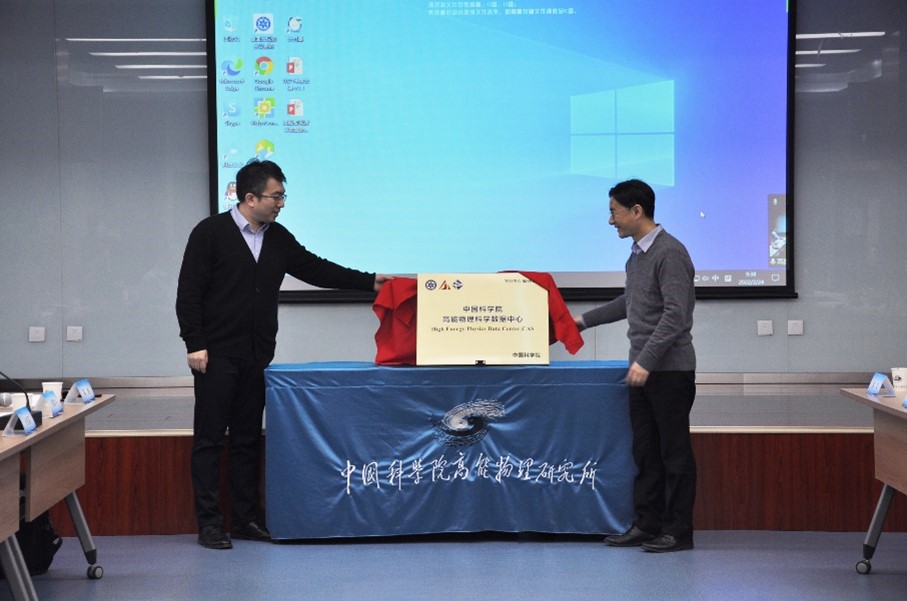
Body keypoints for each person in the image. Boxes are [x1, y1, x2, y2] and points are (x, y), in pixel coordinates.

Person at [176, 159, 390, 550]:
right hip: (215, 355)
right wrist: (195, 343)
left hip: (256, 354)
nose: (281, 204)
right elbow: (189, 292)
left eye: (282, 196)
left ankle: (244, 520)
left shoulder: (278, 238)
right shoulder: (210, 233)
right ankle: (209, 523)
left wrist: (370, 281)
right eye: (276, 196)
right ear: (250, 197)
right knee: (210, 440)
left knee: (246, 439)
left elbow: (317, 269)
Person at [574, 178, 696, 553]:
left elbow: (675, 316)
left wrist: (646, 360)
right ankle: (647, 524)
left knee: (673, 454)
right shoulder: (637, 255)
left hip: (669, 372)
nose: (611, 220)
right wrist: (582, 321)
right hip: (643, 371)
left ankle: (678, 532)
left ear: (636, 211)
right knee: (645, 453)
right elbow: (630, 302)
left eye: (614, 212)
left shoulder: (670, 252)